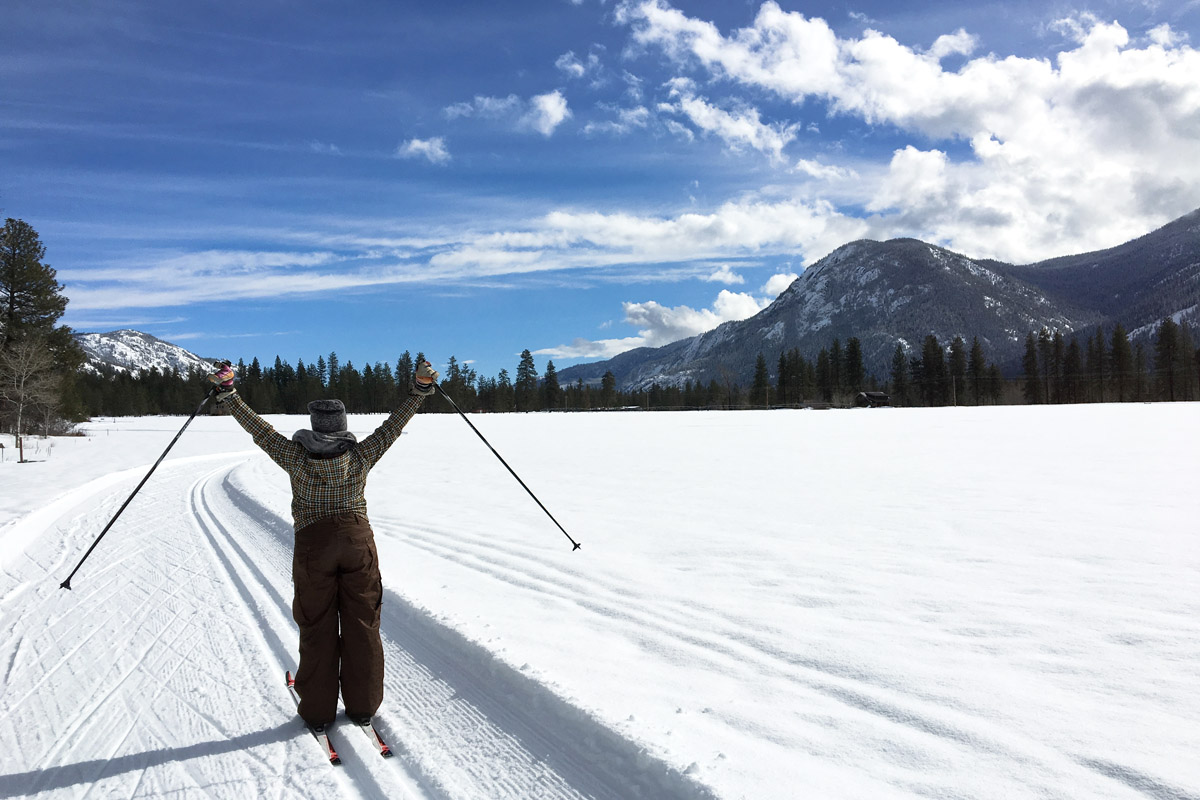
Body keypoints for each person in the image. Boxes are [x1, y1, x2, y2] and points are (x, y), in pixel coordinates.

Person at [209, 358, 439, 730]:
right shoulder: (361, 455)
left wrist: (230, 394)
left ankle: (317, 711)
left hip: (314, 545)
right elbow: (392, 427)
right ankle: (363, 707)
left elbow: (260, 430)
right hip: (357, 543)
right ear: (343, 427)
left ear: (314, 425)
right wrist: (419, 391)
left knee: (316, 625)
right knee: (362, 623)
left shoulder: (295, 457)